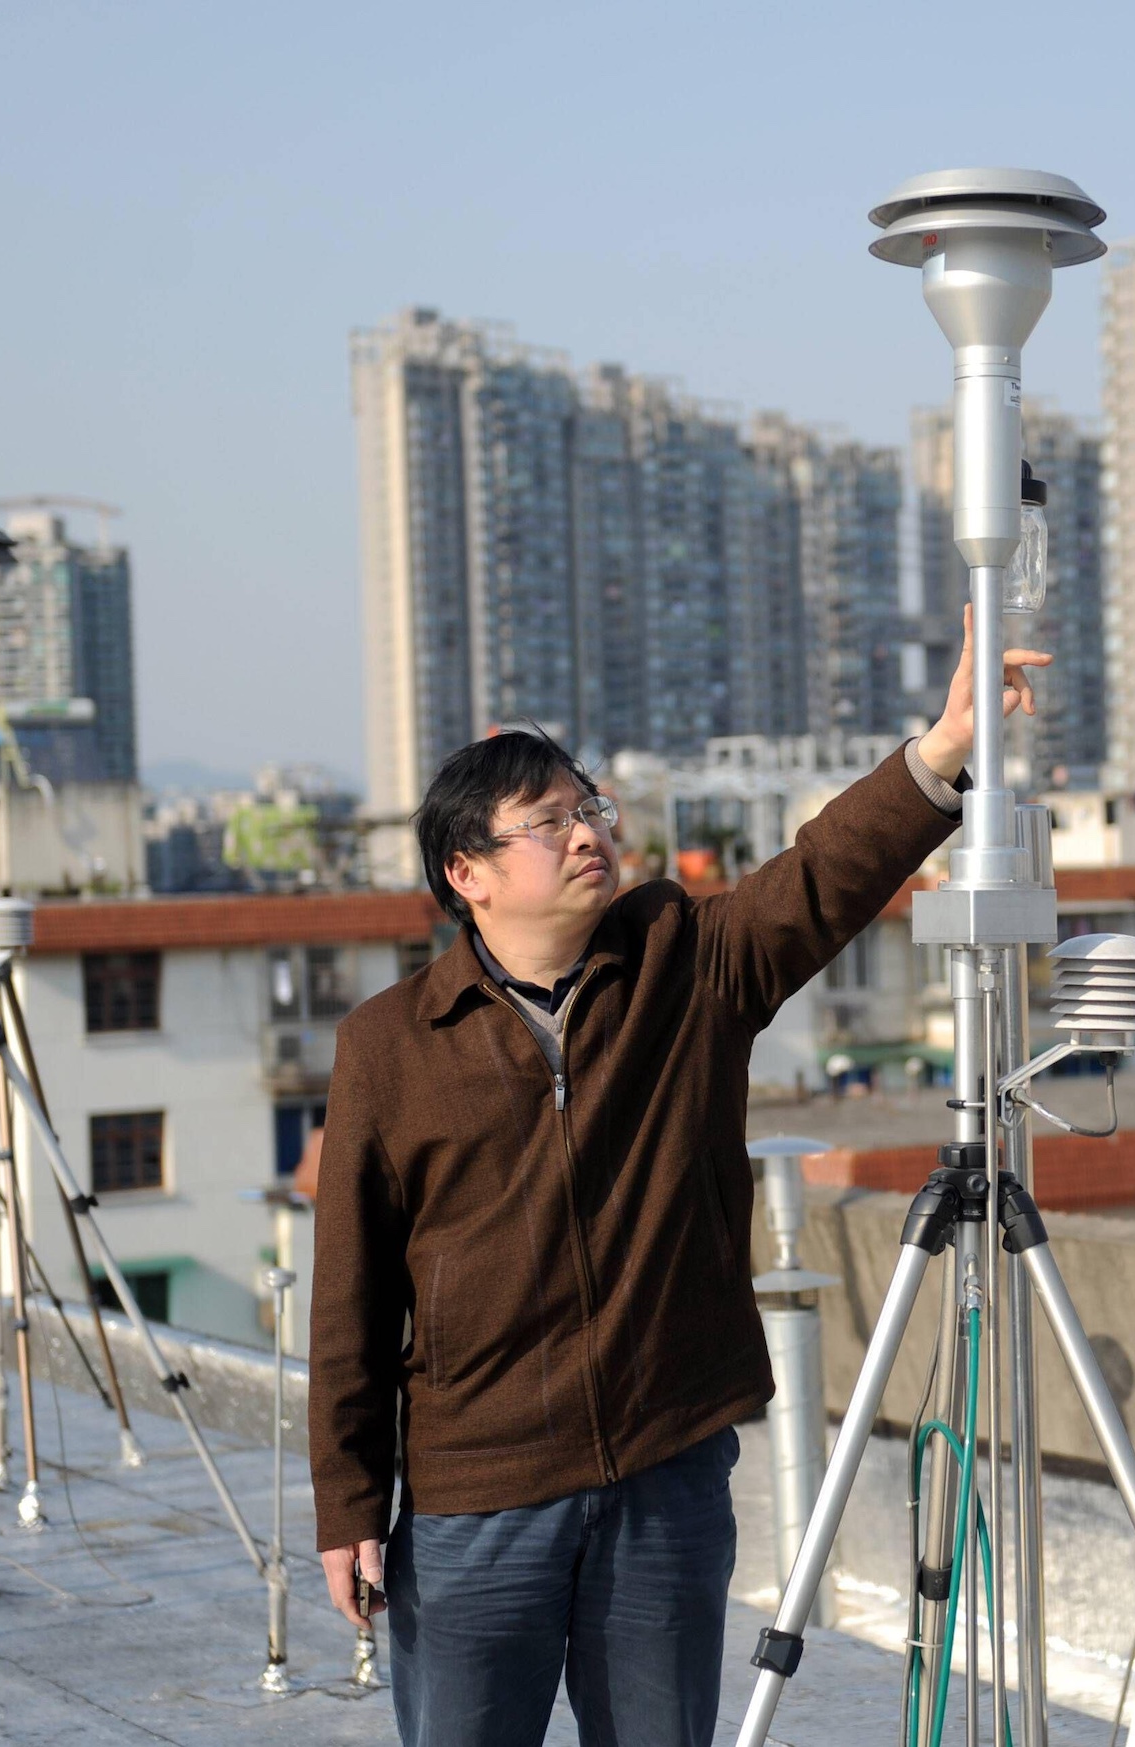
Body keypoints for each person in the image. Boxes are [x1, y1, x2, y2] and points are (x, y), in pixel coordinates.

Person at [309, 612, 1048, 1746]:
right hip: (476, 1496)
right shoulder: (389, 1045)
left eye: (588, 806)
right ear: (467, 873)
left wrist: (944, 747)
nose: (586, 832)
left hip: (663, 1478)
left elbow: (820, 876)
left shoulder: (683, 962)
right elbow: (351, 1298)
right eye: (547, 821)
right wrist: (350, 1503)